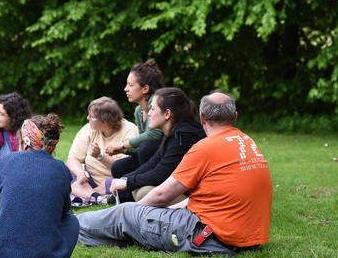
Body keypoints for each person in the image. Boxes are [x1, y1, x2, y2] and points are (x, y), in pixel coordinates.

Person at [76, 91, 273, 255]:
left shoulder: (205, 147)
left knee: (125, 214)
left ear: (203, 117)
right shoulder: (246, 142)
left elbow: (162, 194)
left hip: (211, 238)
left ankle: (68, 227)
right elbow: (216, 195)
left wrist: (135, 214)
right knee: (134, 211)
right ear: (235, 116)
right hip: (247, 239)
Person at [0, 114, 78, 258]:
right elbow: (64, 214)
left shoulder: (7, 161)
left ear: (24, 143)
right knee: (72, 220)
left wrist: (1, 229)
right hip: (48, 253)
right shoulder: (62, 170)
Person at [109, 87, 205, 203]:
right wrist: (125, 179)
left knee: (144, 192)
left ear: (167, 114)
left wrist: (128, 182)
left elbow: (161, 174)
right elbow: (152, 164)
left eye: (153, 109)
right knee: (138, 188)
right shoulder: (174, 132)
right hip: (185, 193)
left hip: (199, 200)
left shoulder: (184, 136)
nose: (149, 113)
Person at [66, 97, 138, 204]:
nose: (87, 118)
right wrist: (80, 173)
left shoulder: (130, 131)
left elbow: (123, 168)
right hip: (88, 181)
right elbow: (72, 159)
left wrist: (100, 156)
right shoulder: (89, 129)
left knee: (120, 181)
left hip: (111, 182)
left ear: (104, 121)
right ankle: (96, 197)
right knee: (66, 171)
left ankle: (85, 193)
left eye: (91, 116)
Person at [105, 59, 165, 178]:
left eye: (130, 85)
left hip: (164, 159)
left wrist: (122, 145)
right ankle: (126, 194)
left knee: (147, 147)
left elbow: (153, 136)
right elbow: (144, 149)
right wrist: (124, 151)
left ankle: (138, 186)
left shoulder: (157, 102)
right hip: (150, 157)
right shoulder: (139, 111)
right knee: (118, 168)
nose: (125, 89)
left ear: (145, 89)